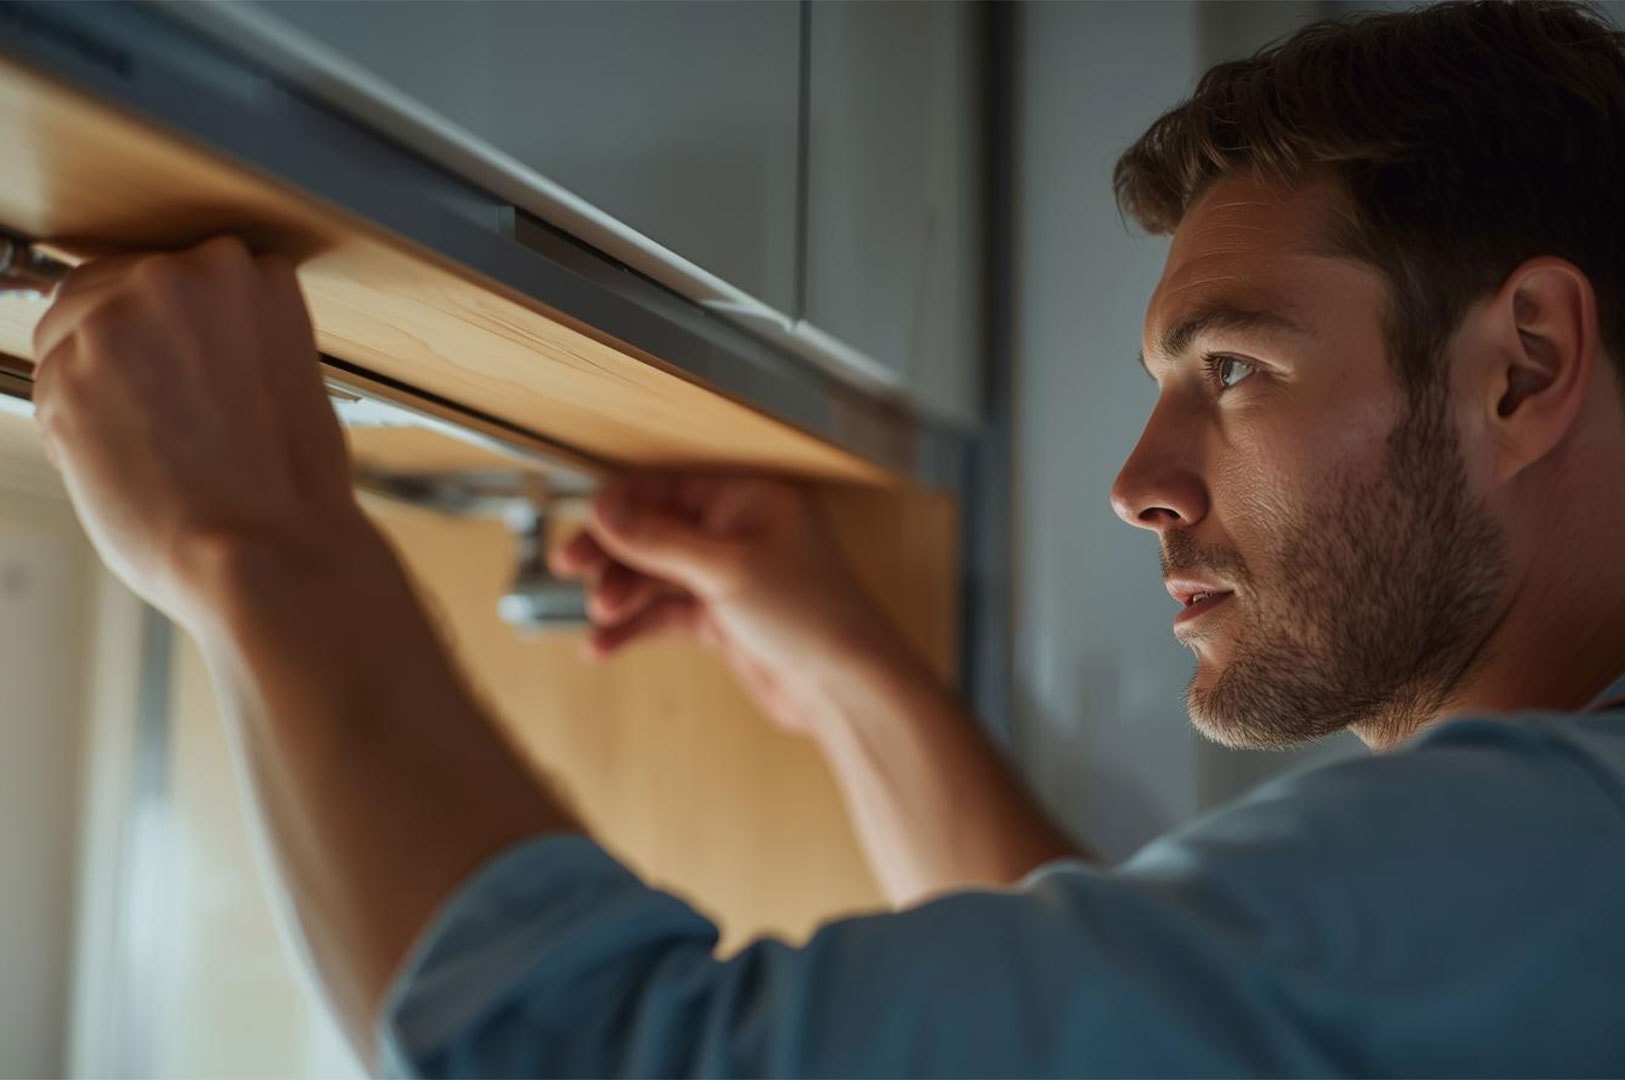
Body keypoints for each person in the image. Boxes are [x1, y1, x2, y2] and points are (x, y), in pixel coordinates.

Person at [28, 0, 1625, 1074]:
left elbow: (582, 1048)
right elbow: (1149, 1030)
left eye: (1232, 370)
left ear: (1525, 367)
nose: (1140, 478)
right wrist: (851, 664)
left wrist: (254, 538)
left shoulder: (1556, 852)